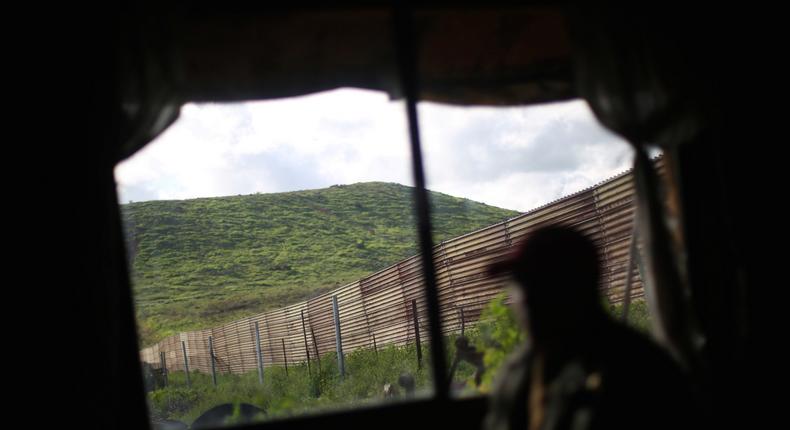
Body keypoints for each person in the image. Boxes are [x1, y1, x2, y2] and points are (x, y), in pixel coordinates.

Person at [484, 225, 698, 430]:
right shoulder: (519, 370)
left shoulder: (640, 373)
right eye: (519, 285)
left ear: (578, 287)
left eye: (541, 285)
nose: (523, 300)